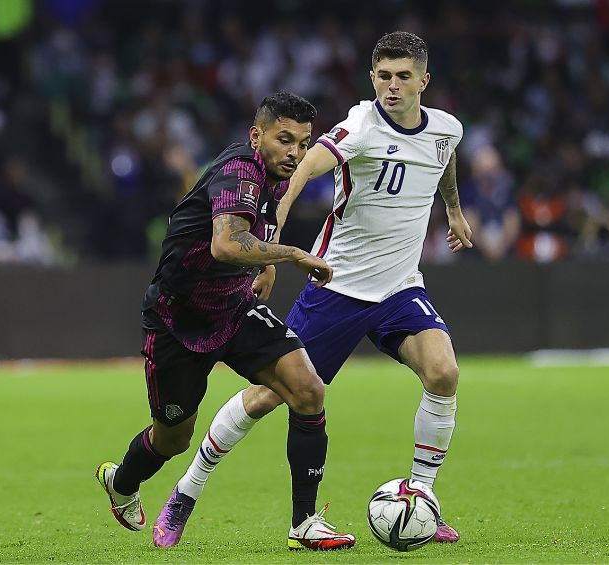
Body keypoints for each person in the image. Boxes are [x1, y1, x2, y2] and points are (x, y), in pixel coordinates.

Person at [158, 31, 472, 549]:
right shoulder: (361, 126)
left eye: (403, 76)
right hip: (338, 287)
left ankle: (421, 498)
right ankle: (186, 492)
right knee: (265, 399)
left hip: (399, 288)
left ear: (424, 81)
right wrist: (273, 232)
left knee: (444, 373)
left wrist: (455, 211)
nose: (392, 86)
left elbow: (445, 158)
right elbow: (304, 166)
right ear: (372, 78)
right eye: (383, 76)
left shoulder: (447, 130)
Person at [95, 91, 355, 552]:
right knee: (173, 438)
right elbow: (226, 244)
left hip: (234, 308)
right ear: (258, 136)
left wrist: (267, 264)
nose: (294, 152)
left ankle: (305, 522)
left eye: (302, 142)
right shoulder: (239, 172)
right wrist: (293, 255)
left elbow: (256, 231)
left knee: (308, 389)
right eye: (284, 140)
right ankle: (121, 482)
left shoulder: (275, 175)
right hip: (177, 319)